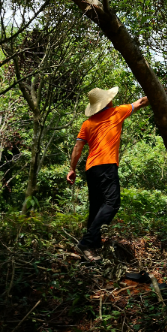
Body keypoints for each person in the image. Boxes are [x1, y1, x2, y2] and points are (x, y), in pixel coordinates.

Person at [66, 86, 149, 262]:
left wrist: (72, 169)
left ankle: (92, 249)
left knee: (96, 207)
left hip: (91, 169)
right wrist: (157, 95)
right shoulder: (117, 112)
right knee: (112, 203)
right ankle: (86, 243)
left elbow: (77, 148)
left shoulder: (87, 124)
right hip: (107, 166)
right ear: (107, 102)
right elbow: (141, 102)